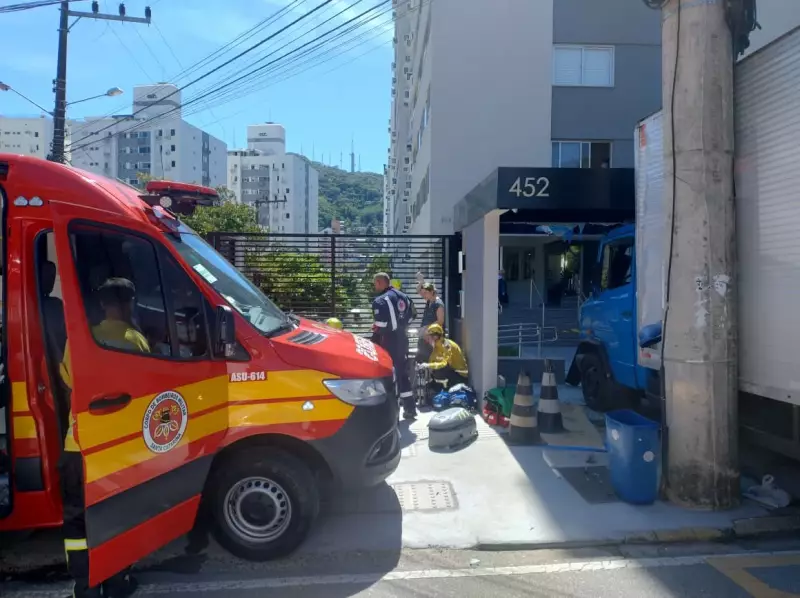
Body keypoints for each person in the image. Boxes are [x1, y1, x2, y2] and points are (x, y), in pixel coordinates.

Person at [59, 278, 149, 598]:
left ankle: (84, 586)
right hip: (117, 450)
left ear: (102, 305)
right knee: (116, 518)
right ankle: (116, 582)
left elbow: (67, 378)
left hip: (78, 446)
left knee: (77, 525)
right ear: (129, 303)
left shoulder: (78, 339)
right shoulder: (136, 341)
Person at [371, 272, 416, 419]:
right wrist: (402, 325)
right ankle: (410, 408)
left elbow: (382, 325)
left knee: (387, 374)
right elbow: (413, 314)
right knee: (402, 372)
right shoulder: (403, 296)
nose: (374, 286)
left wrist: (375, 331)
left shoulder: (380, 301)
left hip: (388, 341)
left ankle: (391, 411)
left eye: (375, 283)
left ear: (379, 282)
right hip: (403, 339)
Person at [418, 323, 469, 394]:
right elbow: (432, 359)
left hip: (460, 375)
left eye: (431, 337)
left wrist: (428, 365)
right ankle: (440, 390)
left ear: (437, 336)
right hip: (452, 372)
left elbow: (445, 363)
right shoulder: (437, 346)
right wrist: (423, 365)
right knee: (433, 377)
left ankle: (444, 390)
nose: (429, 339)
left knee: (439, 371)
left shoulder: (446, 345)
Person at [416, 282, 445, 364]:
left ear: (432, 292)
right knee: (422, 356)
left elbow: (440, 320)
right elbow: (418, 290)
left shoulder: (438, 304)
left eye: (425, 293)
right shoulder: (429, 301)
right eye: (423, 293)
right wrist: (421, 282)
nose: (423, 295)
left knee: (429, 356)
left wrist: (427, 329)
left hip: (431, 335)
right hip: (425, 335)